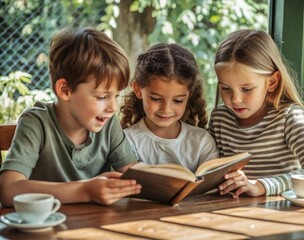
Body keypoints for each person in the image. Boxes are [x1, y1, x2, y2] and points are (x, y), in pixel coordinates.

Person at [0, 27, 141, 207]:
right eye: (101, 97)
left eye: (116, 96)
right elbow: (7, 189)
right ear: (65, 90)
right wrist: (85, 191)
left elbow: (135, 176)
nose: (113, 107)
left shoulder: (107, 123)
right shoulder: (36, 123)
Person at [209, 29, 304, 198]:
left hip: (279, 214)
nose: (236, 99)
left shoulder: (288, 117)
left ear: (272, 82)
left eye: (246, 89)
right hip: (226, 212)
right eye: (225, 89)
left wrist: (262, 186)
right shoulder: (220, 118)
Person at [120, 43, 218, 173]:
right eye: (156, 99)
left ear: (189, 95)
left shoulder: (202, 141)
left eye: (178, 100)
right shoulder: (127, 141)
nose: (166, 109)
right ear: (138, 90)